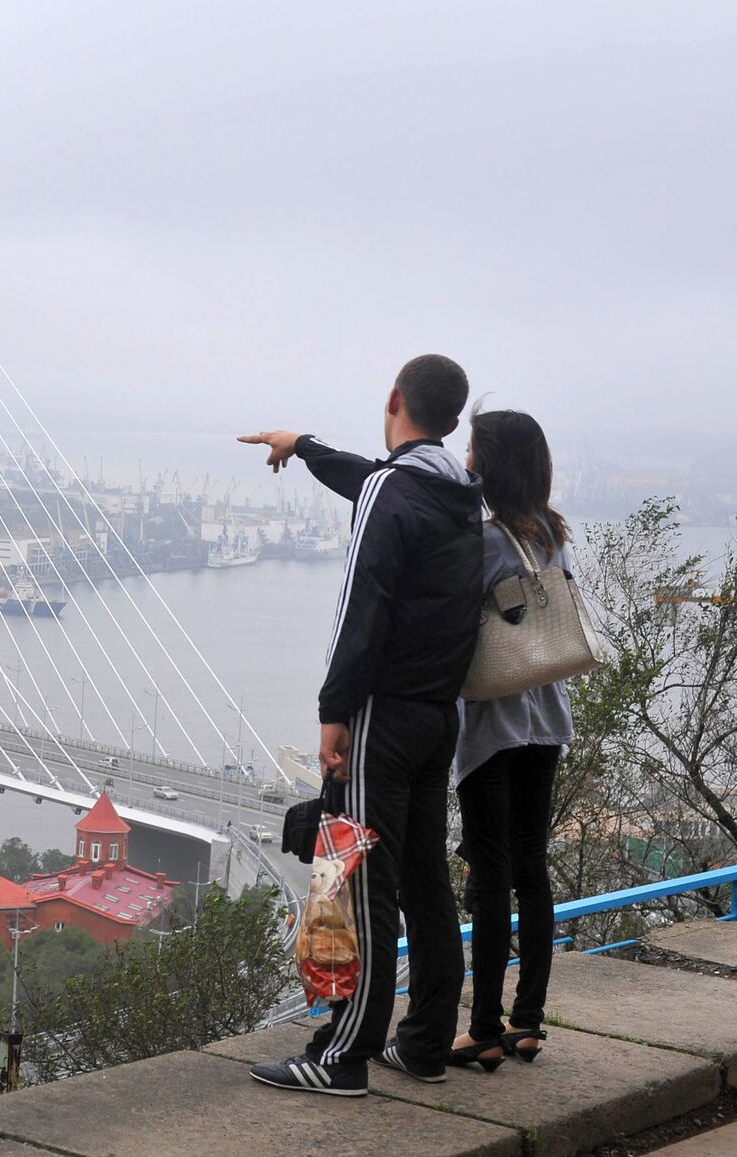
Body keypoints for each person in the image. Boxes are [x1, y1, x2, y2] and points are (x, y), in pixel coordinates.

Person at [236, 354, 483, 1097]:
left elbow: (360, 608)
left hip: (383, 715)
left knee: (361, 883)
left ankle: (341, 1054)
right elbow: (374, 480)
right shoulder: (457, 493)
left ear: (394, 398)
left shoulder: (394, 490)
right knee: (424, 880)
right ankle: (426, 1040)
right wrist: (305, 444)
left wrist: (333, 712)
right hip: (439, 717)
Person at [448, 408, 575, 1070]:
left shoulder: (485, 540)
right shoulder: (552, 534)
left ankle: (484, 1028)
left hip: (492, 726)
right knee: (532, 867)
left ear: (487, 462)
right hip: (546, 719)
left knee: (490, 874)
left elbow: (451, 620)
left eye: (472, 448)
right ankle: (527, 1023)